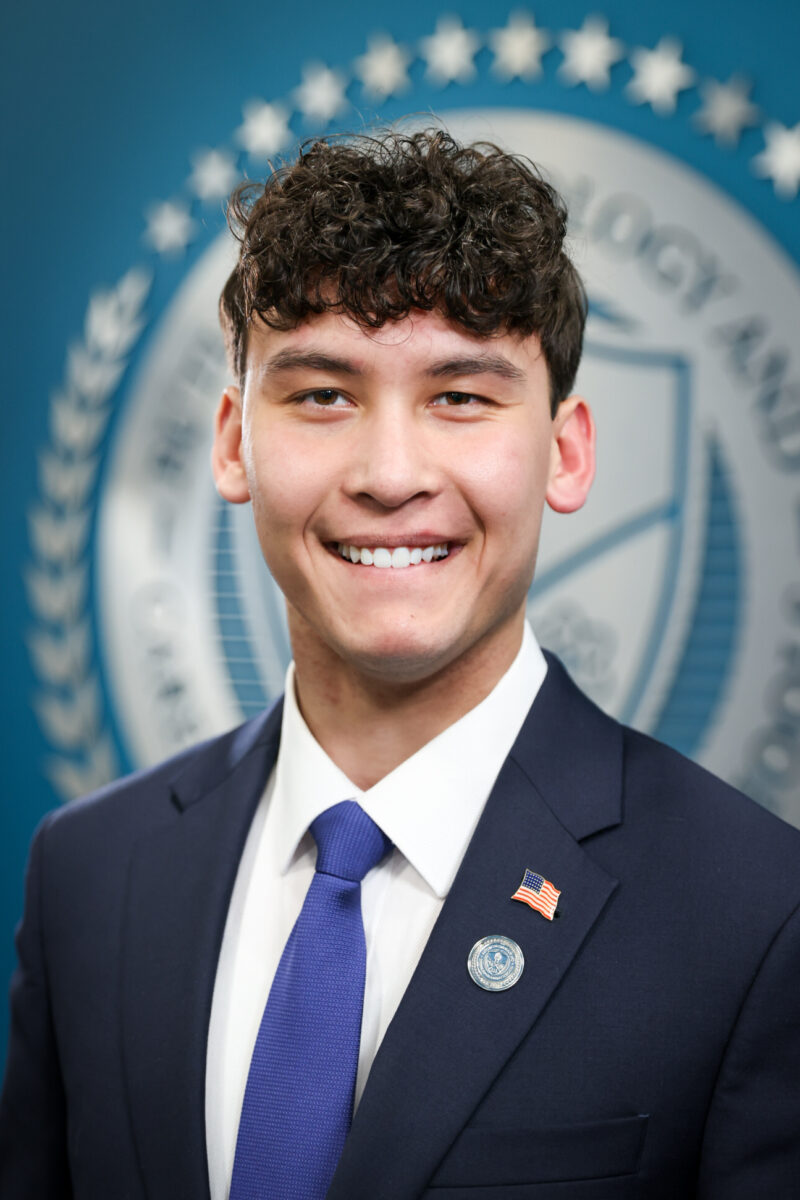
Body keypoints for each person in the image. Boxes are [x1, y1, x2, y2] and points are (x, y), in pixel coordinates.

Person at [1, 128, 799, 1200]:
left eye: (460, 397)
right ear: (235, 442)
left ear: (563, 453)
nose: (388, 475)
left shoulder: (753, 914)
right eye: (323, 395)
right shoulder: (92, 875)